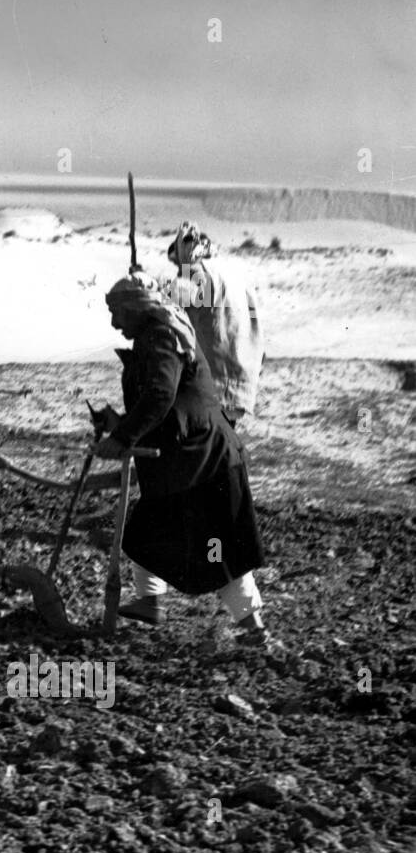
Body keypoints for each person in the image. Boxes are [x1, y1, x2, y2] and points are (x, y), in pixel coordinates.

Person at [92, 272, 273, 646]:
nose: (113, 323)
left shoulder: (160, 338)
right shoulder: (155, 336)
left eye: (118, 313)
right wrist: (119, 424)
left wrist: (122, 437)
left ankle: (252, 629)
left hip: (203, 464)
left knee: (217, 551)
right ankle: (150, 602)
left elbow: (160, 396)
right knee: (147, 531)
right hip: (188, 462)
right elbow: (166, 404)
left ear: (136, 309)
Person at [156, 222, 264, 427]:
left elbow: (184, 295)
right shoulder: (235, 274)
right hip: (241, 372)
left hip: (213, 379)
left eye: (177, 262)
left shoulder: (198, 269)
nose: (178, 268)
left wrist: (150, 284)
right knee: (222, 444)